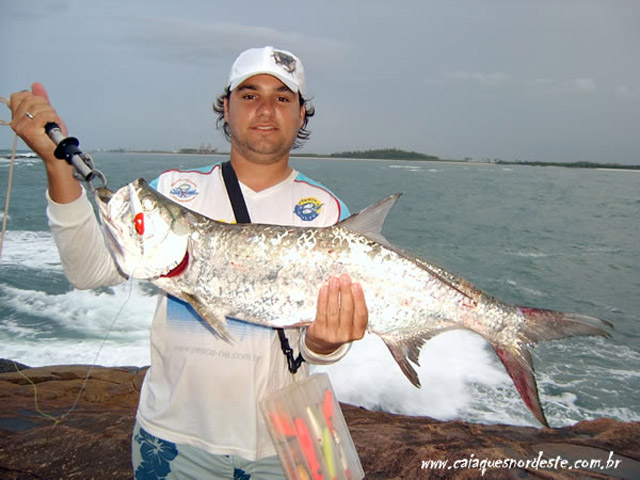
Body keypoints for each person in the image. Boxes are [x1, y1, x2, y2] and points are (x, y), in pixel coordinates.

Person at [10, 46, 369, 479]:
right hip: (175, 438)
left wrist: (326, 344)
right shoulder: (173, 191)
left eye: (282, 97)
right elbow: (88, 271)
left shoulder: (328, 211)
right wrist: (57, 167)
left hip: (288, 442)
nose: (265, 109)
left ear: (301, 113)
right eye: (250, 95)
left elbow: (320, 346)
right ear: (226, 107)